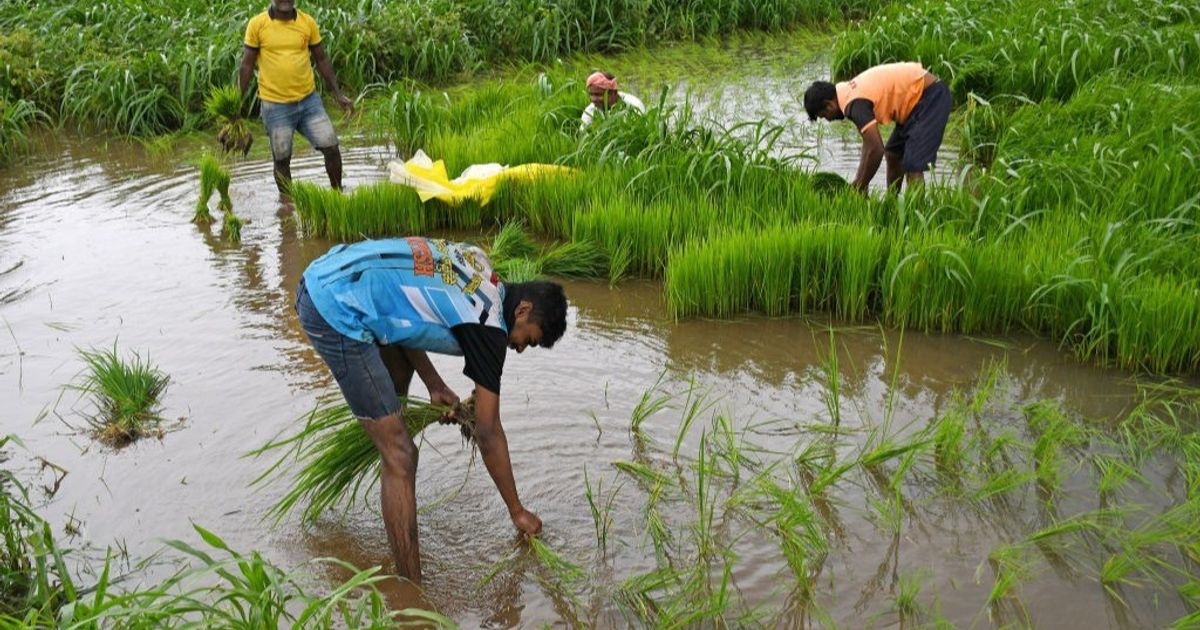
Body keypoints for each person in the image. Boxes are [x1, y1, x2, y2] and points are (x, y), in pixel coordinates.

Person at [294, 236, 569, 581]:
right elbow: (488, 431)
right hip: (334, 305)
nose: (520, 349)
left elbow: (404, 309)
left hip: (331, 273)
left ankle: (391, 488)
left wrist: (434, 383)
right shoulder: (488, 327)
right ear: (523, 310)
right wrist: (518, 512)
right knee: (401, 455)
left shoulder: (480, 265)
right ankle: (411, 597)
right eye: (528, 339)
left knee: (394, 414)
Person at [238, 0, 354, 194]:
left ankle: (337, 194)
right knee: (282, 159)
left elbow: (322, 59)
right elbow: (246, 66)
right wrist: (236, 102)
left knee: (331, 147)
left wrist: (338, 93)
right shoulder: (257, 24)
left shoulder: (307, 23)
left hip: (309, 102)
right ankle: (287, 205)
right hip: (275, 106)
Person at [803, 62, 951, 194]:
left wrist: (860, 185)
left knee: (913, 165)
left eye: (823, 116)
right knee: (893, 154)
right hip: (912, 103)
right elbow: (868, 145)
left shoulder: (854, 103)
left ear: (829, 105)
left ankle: (915, 217)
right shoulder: (847, 93)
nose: (828, 120)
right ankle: (892, 204)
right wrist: (859, 180)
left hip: (930, 97)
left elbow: (875, 149)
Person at [580, 71, 646, 130]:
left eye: (598, 94)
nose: (594, 99)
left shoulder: (634, 105)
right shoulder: (590, 111)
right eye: (591, 94)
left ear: (613, 93)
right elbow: (584, 134)